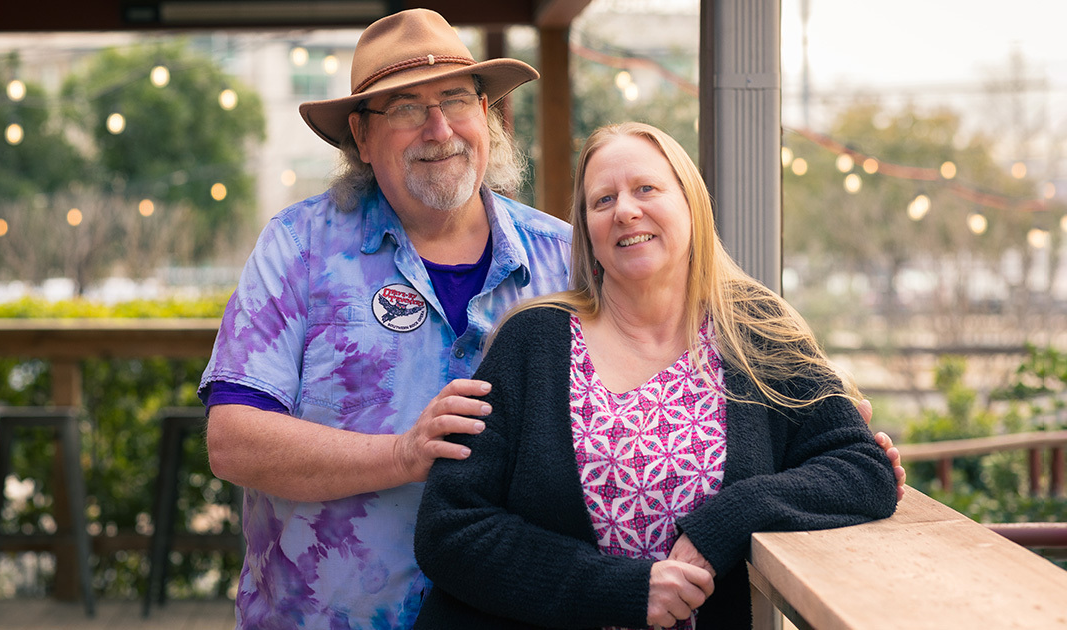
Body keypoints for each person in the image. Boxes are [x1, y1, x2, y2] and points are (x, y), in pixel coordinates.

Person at [412, 122, 900, 630]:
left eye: (646, 189)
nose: (625, 210)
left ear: (691, 205)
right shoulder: (533, 341)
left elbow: (863, 467)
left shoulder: (755, 330)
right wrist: (619, 589)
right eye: (603, 200)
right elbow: (448, 530)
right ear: (589, 234)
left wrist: (730, 519)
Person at [200, 9, 573, 628]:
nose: (438, 128)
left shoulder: (565, 260)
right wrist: (402, 453)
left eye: (456, 98)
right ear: (361, 136)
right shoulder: (299, 247)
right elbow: (233, 440)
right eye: (404, 107)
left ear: (487, 115)